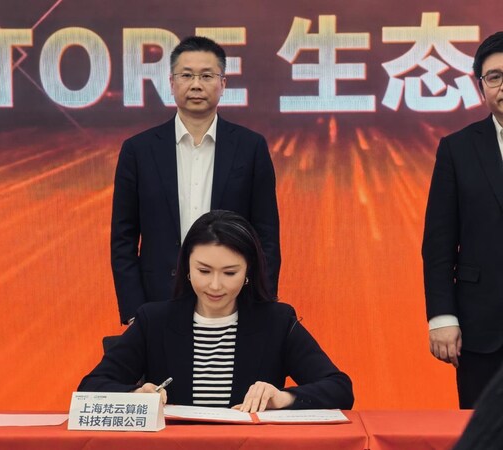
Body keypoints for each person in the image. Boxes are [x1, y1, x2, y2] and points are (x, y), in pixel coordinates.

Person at [80, 210, 353, 412]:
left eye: (230, 273)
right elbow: (91, 387)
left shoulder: (277, 322)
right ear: (187, 267)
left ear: (248, 271)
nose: (215, 285)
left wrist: (282, 398)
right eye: (204, 270)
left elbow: (340, 389)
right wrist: (135, 395)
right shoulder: (153, 320)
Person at [111, 36, 280, 325]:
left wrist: (260, 304)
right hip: (156, 301)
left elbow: (267, 235)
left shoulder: (250, 147)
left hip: (232, 298)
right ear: (171, 83)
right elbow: (123, 239)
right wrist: (133, 312)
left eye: (207, 76)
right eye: (186, 75)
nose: (196, 85)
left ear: (223, 84)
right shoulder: (138, 150)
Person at [422, 31, 503, 408]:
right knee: (482, 431)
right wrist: (442, 317)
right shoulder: (458, 149)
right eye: (495, 76)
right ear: (481, 86)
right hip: (483, 329)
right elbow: (438, 244)